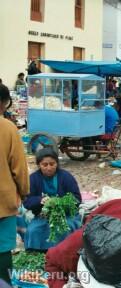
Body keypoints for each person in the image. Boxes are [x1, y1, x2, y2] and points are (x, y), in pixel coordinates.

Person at [21, 148, 81, 251]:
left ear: (57, 163)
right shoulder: (33, 179)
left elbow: (77, 198)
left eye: (52, 164)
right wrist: (41, 200)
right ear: (39, 165)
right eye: (45, 165)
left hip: (65, 215)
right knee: (33, 230)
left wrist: (60, 203)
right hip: (42, 216)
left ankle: (62, 253)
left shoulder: (66, 177)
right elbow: (27, 201)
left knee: (62, 229)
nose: (49, 168)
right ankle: (37, 252)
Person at [0, 84, 30, 284]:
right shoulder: (8, 128)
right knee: (2, 251)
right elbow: (19, 168)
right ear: (3, 103)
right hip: (3, 202)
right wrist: (24, 192)